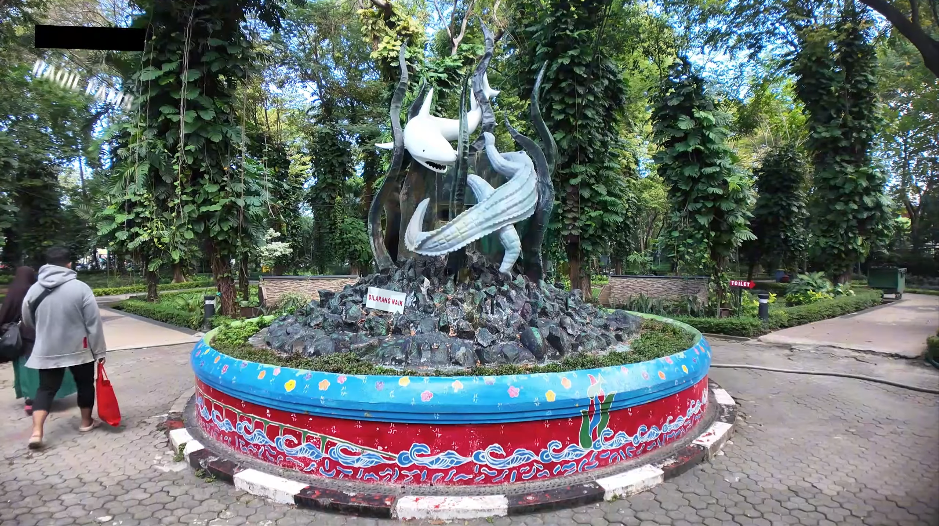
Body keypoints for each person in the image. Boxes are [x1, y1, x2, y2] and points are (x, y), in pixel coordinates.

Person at [22, 247, 107, 449]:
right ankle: (86, 422)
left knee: (45, 389)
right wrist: (99, 351)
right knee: (85, 384)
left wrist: (43, 331)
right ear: (69, 264)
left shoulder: (34, 290)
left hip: (47, 348)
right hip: (79, 348)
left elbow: (27, 319)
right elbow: (93, 323)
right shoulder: (81, 288)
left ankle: (36, 432)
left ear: (47, 264)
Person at [0, 266, 78, 415]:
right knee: (46, 367)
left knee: (26, 368)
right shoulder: (38, 290)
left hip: (23, 338)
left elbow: (5, 314)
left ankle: (30, 399)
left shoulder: (14, 292)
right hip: (43, 333)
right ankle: (48, 396)